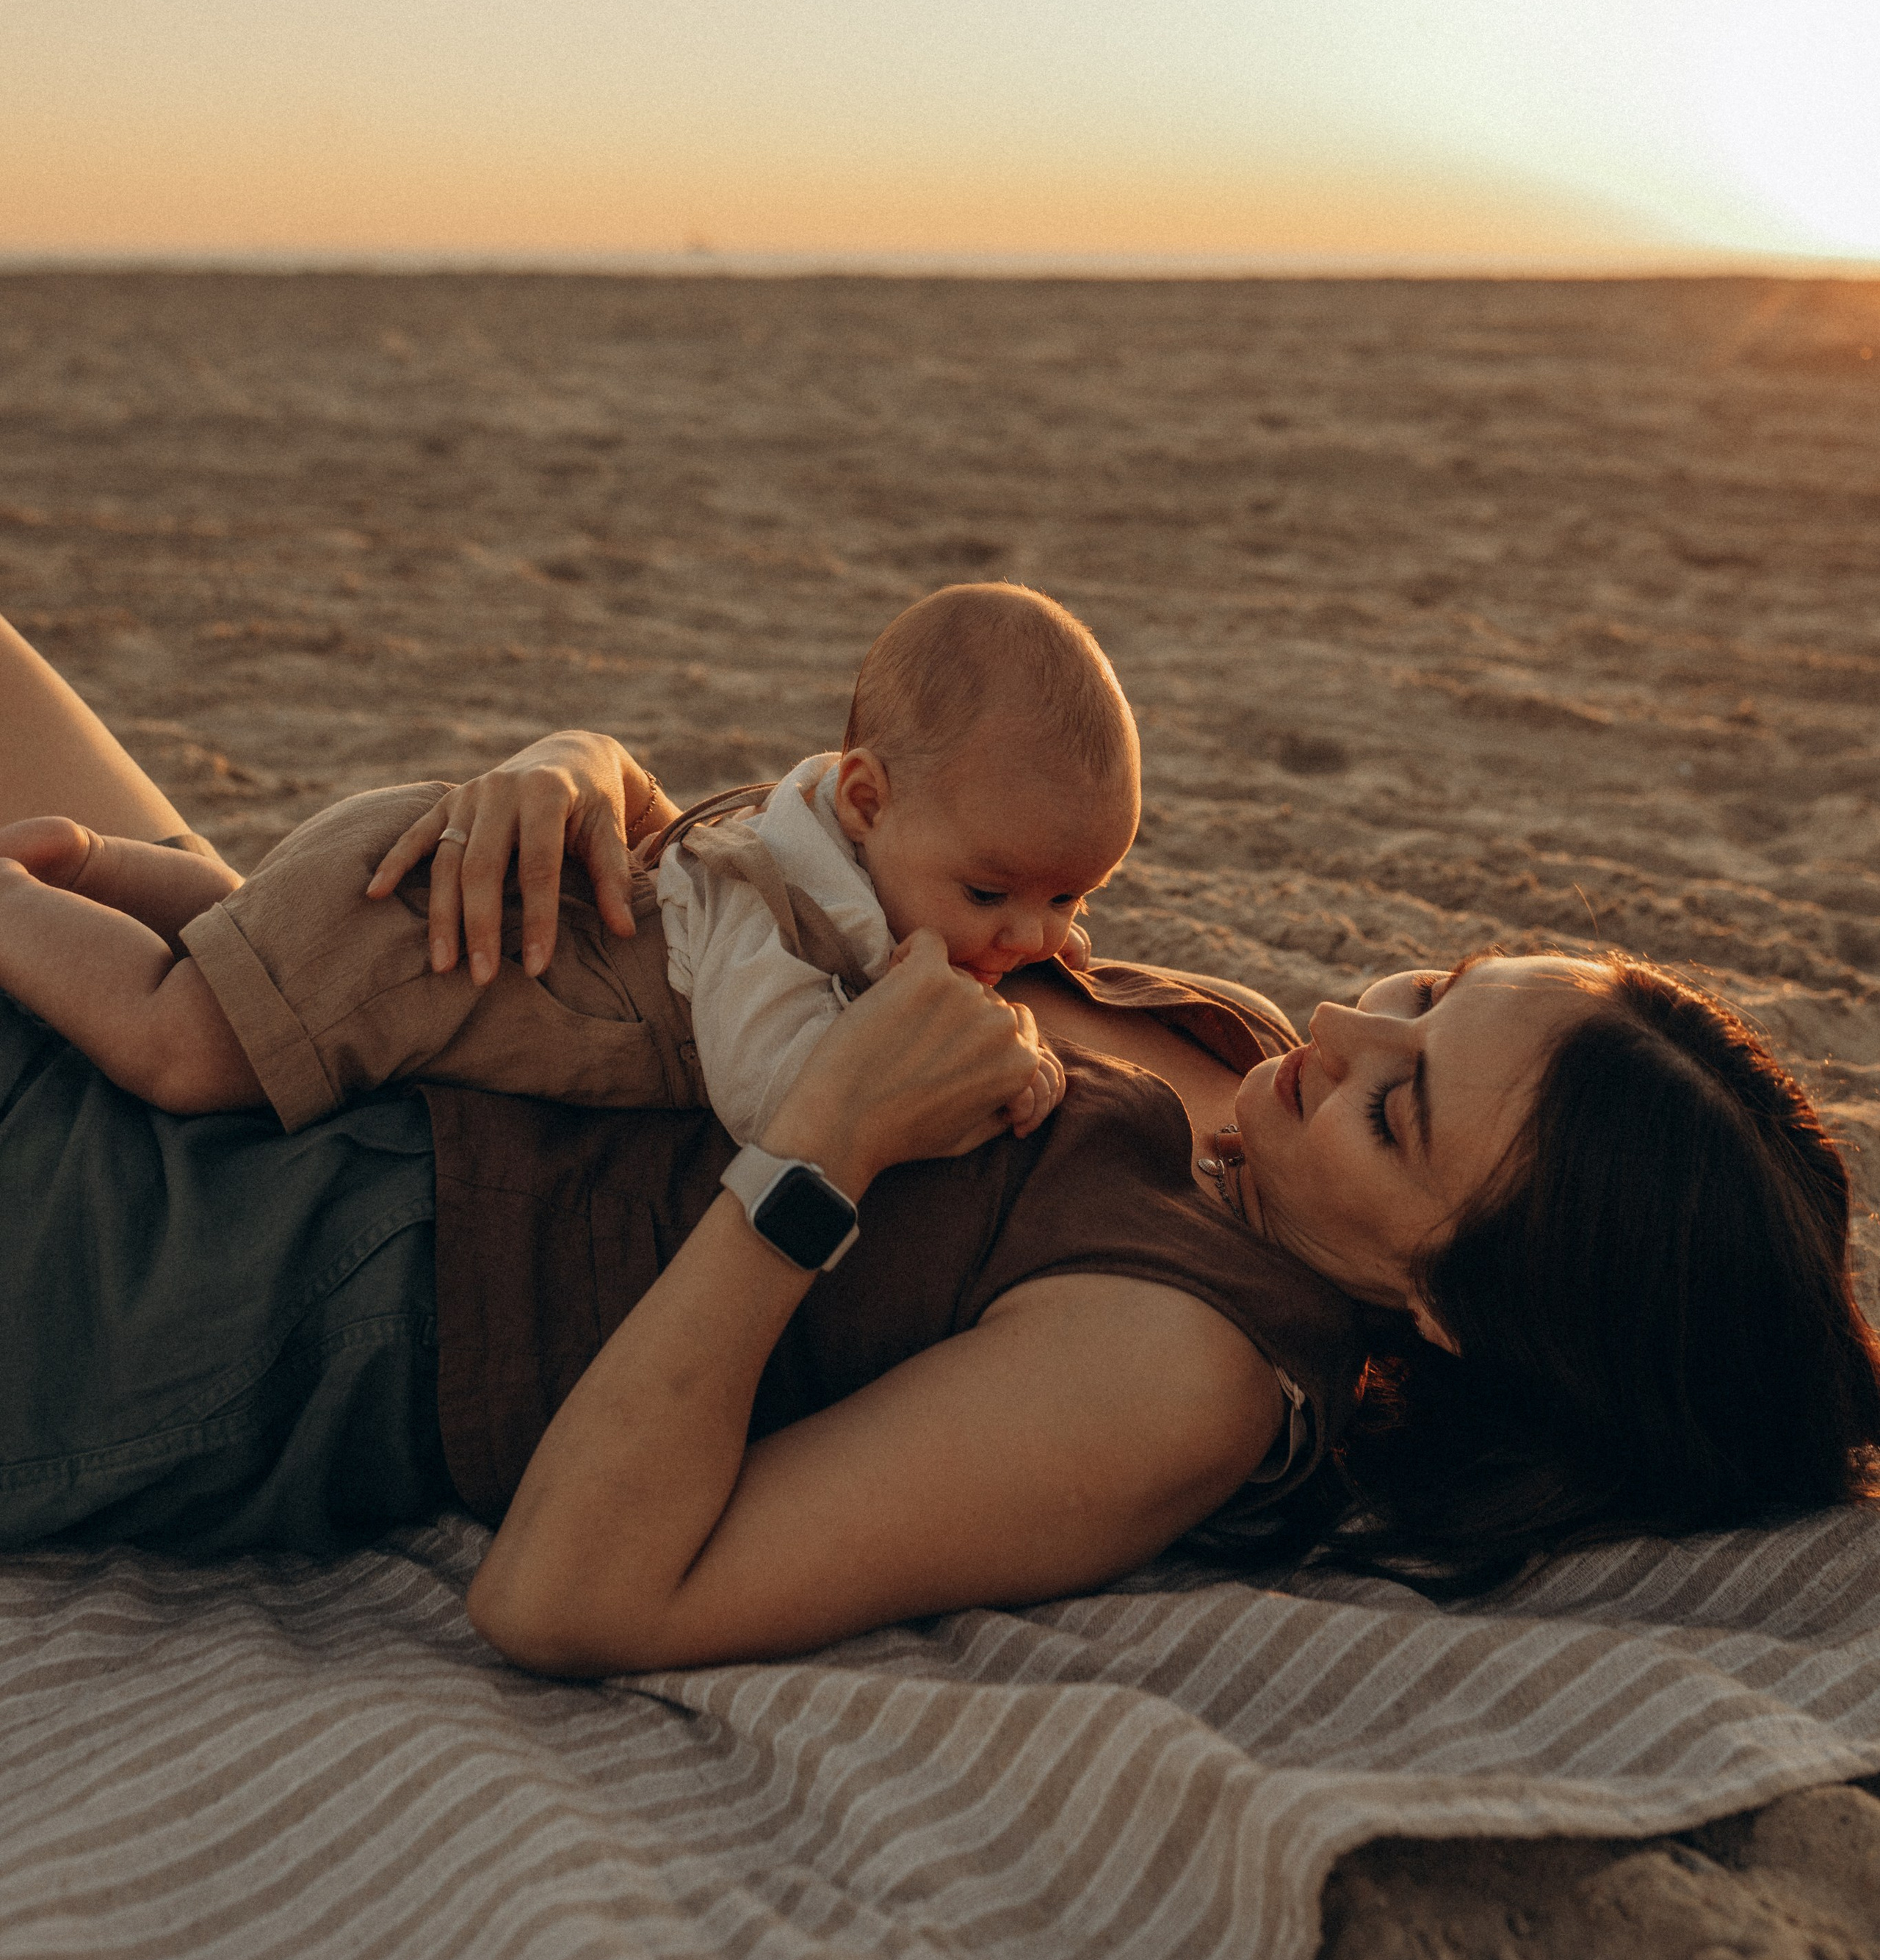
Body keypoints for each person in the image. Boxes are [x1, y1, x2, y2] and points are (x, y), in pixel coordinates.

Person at [2, 612, 1876, 1682]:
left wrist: (815, 1157)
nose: (1338, 1034)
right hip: (352, 1031)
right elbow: (796, 900)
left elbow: (571, 1596)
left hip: (222, 1279)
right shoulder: (1233, 1069)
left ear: (1449, 1315)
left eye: (1400, 1107)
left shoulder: (1186, 1372)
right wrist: (594, 782)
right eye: (1426, 986)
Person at [0, 585, 1138, 1144]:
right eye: (993, 894)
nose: (1034, 938)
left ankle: (91, 861)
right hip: (426, 948)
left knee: (252, 940)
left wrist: (1007, 921)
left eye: (1070, 899)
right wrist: (993, 1075)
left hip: (402, 906)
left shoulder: (847, 849)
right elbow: (780, 1100)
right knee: (183, 1041)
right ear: (867, 802)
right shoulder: (775, 925)